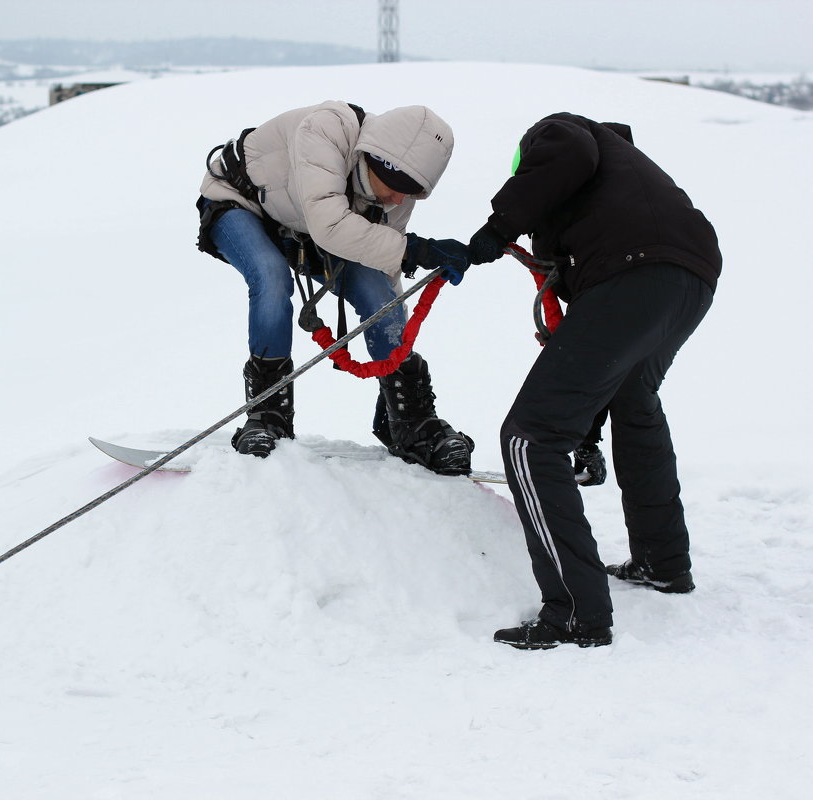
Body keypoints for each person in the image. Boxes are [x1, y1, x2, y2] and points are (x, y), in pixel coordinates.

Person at [466, 112, 721, 649]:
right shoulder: (623, 183)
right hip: (689, 279)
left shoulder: (562, 132)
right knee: (635, 399)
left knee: (530, 439)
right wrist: (587, 430)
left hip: (634, 275)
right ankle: (663, 561)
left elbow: (565, 157)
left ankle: (576, 611)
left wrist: (499, 226)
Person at [196, 101, 474, 475]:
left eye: (414, 192)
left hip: (306, 225)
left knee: (378, 295)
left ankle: (413, 424)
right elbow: (331, 225)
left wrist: (391, 366)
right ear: (376, 159)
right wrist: (416, 251)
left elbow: (384, 265)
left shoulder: (395, 194)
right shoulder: (326, 129)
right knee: (271, 276)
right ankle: (267, 416)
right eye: (397, 186)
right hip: (240, 202)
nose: (399, 200)